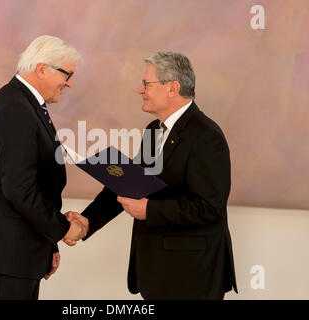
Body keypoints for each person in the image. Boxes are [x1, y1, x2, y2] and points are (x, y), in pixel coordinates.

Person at [67, 51, 238, 299]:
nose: (140, 90)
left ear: (172, 88)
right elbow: (129, 184)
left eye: (146, 84)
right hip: (158, 274)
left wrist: (150, 211)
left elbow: (210, 207)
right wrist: (87, 222)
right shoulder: (153, 130)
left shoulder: (207, 137)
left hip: (191, 277)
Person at [0, 35, 88, 300]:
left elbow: (38, 183)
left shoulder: (25, 103)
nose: (70, 83)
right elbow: (20, 190)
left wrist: (47, 245)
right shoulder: (15, 109)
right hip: (4, 254)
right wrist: (62, 229)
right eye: (67, 74)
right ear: (42, 69)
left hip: (17, 252)